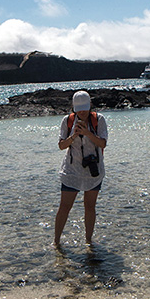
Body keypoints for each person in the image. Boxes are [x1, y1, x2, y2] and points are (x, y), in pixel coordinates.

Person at [53, 90, 108, 247]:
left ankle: (88, 241)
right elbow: (61, 146)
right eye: (79, 109)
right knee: (64, 207)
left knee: (90, 206)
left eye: (85, 108)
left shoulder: (99, 120)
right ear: (74, 108)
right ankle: (56, 242)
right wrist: (73, 136)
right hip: (71, 170)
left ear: (90, 105)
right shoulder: (68, 121)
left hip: (93, 171)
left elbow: (102, 143)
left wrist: (87, 133)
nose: (82, 112)